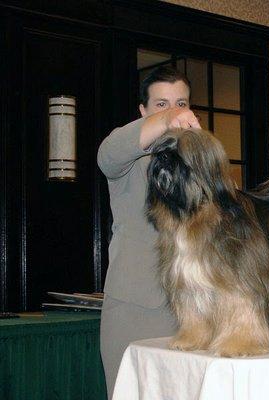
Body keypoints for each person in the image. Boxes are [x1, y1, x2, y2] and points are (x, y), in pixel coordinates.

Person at [97, 66, 200, 398]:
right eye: (161, 104)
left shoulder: (201, 160)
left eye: (181, 102)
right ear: (143, 111)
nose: (173, 111)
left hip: (192, 308)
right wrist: (167, 119)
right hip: (135, 309)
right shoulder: (128, 157)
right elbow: (107, 154)